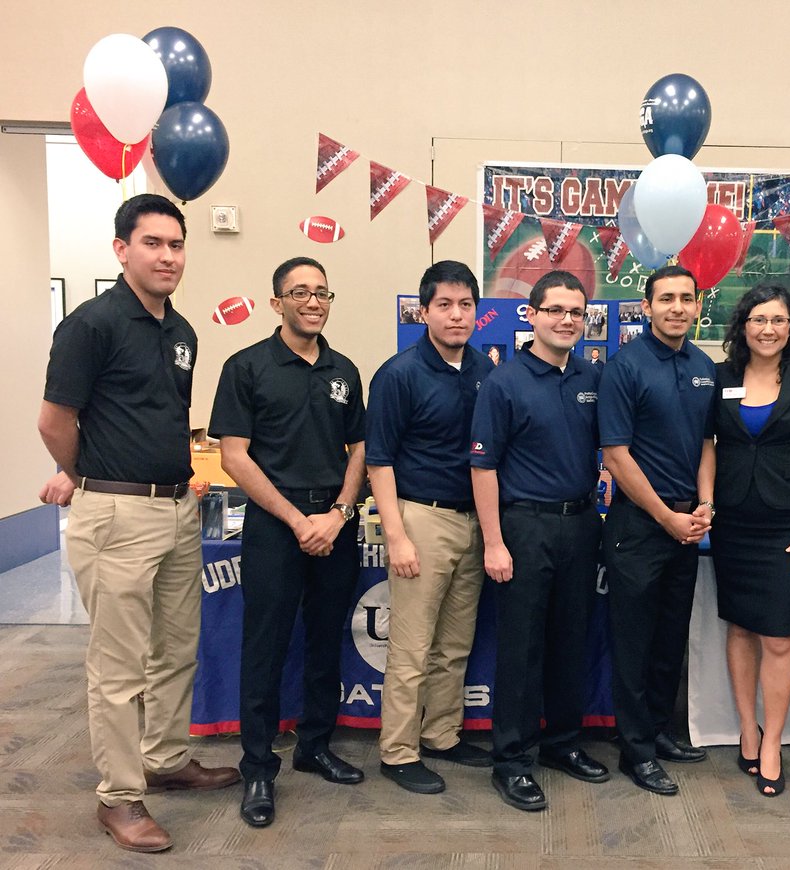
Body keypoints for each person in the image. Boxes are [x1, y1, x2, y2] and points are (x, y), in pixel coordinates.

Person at [36, 194, 239, 853]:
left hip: (180, 507)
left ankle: (166, 757)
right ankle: (120, 798)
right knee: (119, 667)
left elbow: (164, 416)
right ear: (122, 249)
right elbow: (54, 420)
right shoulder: (90, 326)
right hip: (117, 513)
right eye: (153, 243)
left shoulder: (180, 333)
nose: (168, 256)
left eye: (176, 245)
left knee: (176, 647)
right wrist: (89, 475)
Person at [209, 257, 367, 828]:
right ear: (276, 303)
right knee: (266, 646)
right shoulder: (246, 366)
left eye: (322, 292)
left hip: (335, 522)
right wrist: (298, 521)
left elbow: (359, 450)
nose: (312, 301)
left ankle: (315, 745)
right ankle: (257, 768)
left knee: (327, 640)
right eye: (299, 292)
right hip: (276, 525)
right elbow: (233, 456)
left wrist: (338, 513)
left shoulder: (344, 369)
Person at [470, 270, 608, 812]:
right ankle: (512, 761)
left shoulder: (591, 378)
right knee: (522, 650)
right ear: (531, 315)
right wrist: (494, 542)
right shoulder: (504, 381)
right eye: (556, 310)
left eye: (576, 312)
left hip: (580, 525)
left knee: (571, 642)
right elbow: (483, 468)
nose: (567, 320)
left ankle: (561, 745)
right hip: (523, 527)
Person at [366, 261, 493, 795]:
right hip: (420, 517)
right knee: (412, 647)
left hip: (474, 521)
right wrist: (396, 534)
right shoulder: (399, 374)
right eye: (445, 305)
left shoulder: (484, 368)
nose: (456, 315)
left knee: (454, 644)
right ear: (424, 311)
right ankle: (398, 751)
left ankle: (442, 734)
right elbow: (379, 461)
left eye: (466, 305)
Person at [709, 284, 790, 797]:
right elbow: (707, 444)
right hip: (734, 522)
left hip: (788, 528)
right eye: (758, 319)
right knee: (740, 627)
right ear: (743, 326)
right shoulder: (721, 378)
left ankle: (773, 741)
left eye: (778, 320)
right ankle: (746, 728)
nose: (768, 329)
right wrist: (707, 505)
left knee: (780, 636)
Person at [599, 264, 716, 796]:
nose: (676, 307)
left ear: (697, 307)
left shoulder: (704, 365)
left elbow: (708, 444)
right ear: (645, 307)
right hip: (639, 524)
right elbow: (617, 455)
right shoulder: (625, 365)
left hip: (688, 523)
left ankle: (660, 732)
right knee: (635, 641)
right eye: (665, 298)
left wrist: (704, 506)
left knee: (671, 636)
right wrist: (666, 518)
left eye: (685, 299)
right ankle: (636, 751)